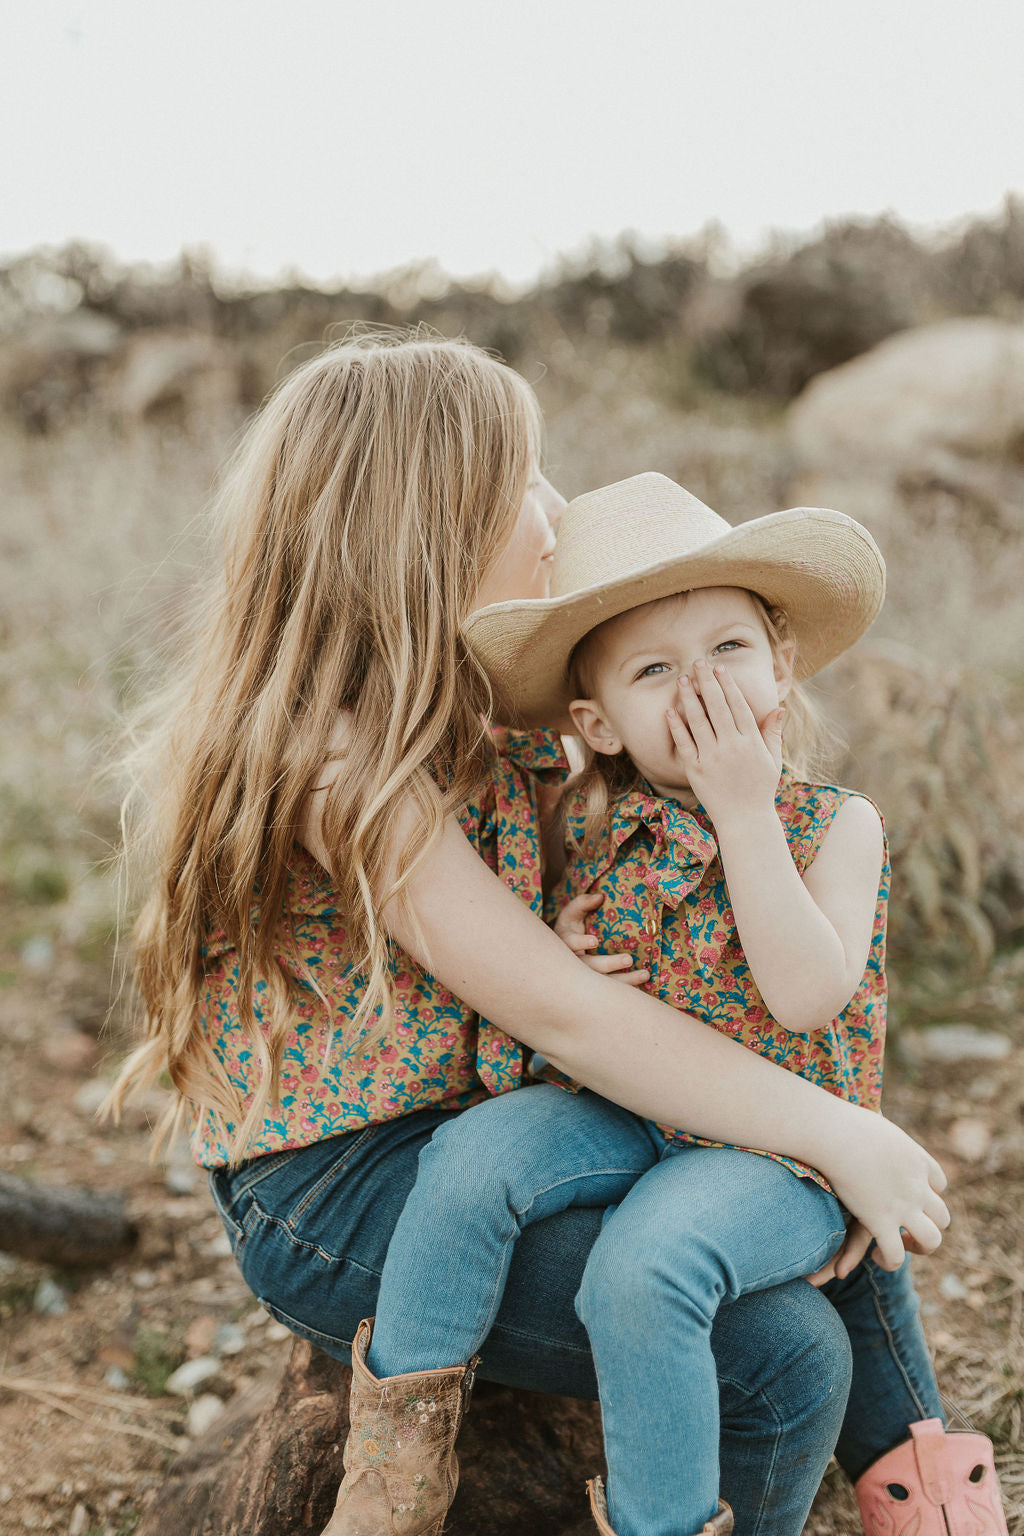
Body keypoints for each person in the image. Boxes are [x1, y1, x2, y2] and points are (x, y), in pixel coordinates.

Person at [103, 337, 954, 1536]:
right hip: (349, 1189)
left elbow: (605, 959)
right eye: (528, 482)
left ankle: (928, 1484)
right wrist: (835, 1129)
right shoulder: (341, 762)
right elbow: (563, 1011)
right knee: (781, 1356)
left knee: (779, 1240)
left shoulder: (479, 708)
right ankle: (396, 1498)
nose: (555, 514)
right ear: (427, 526)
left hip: (505, 1120)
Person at [351, 473, 1009, 1536]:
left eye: (729, 651)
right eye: (654, 672)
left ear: (782, 669)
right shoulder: (588, 819)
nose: (699, 689)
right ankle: (391, 1471)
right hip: (625, 1112)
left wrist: (742, 817)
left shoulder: (831, 826)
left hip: (775, 1151)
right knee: (469, 1157)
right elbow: (562, 993)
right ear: (595, 723)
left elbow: (805, 998)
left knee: (645, 1269)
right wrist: (567, 936)